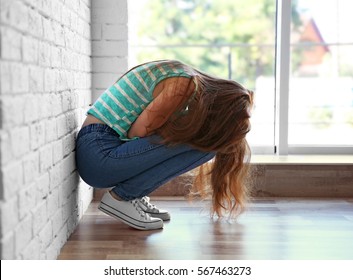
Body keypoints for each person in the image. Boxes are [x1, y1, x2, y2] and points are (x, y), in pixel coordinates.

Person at [75, 59, 254, 230]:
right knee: (206, 146)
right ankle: (122, 197)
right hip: (98, 153)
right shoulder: (183, 84)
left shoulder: (184, 77)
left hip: (98, 149)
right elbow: (136, 133)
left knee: (202, 141)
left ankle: (131, 195)